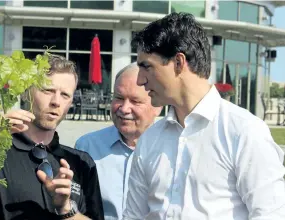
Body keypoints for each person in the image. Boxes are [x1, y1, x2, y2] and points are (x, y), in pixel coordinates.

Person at [122, 12, 285, 220]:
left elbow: (271, 214)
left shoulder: (244, 132)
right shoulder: (149, 140)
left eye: (146, 67)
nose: (140, 80)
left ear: (179, 62)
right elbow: (133, 217)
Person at [0, 55, 104, 220]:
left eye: (65, 95)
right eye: (48, 90)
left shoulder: (81, 163)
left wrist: (65, 208)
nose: (56, 101)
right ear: (26, 93)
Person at [75, 63, 162, 220]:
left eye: (135, 101)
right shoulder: (87, 147)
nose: (124, 108)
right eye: (119, 98)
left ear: (158, 106)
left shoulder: (173, 149)